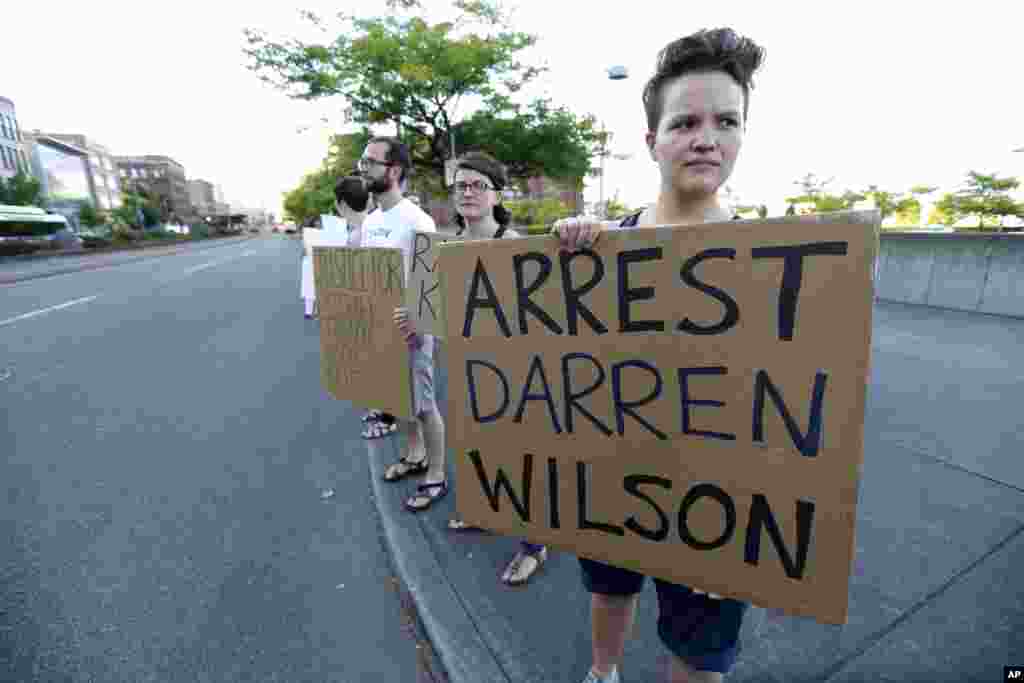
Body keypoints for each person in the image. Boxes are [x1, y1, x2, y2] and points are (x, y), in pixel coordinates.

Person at [553, 28, 766, 683]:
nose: (707, 137)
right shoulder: (605, 243)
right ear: (653, 142)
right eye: (686, 122)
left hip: (717, 500)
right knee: (610, 589)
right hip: (617, 475)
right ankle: (603, 672)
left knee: (699, 651)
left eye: (726, 121)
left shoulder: (772, 261)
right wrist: (571, 244)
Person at [441, 151, 549, 586]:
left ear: (496, 195)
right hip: (469, 369)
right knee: (477, 449)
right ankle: (486, 512)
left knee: (521, 459)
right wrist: (412, 319)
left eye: (477, 185)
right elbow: (438, 313)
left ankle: (534, 544)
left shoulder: (513, 244)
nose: (468, 192)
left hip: (516, 374)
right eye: (461, 185)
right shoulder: (446, 248)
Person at [358, 136, 448, 512]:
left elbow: (431, 278)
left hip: (414, 330)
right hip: (381, 328)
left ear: (393, 171)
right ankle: (415, 455)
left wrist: (421, 324)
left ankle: (437, 475)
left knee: (424, 403)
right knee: (397, 397)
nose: (362, 167)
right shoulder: (371, 220)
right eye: (362, 161)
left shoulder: (418, 220)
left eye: (370, 162)